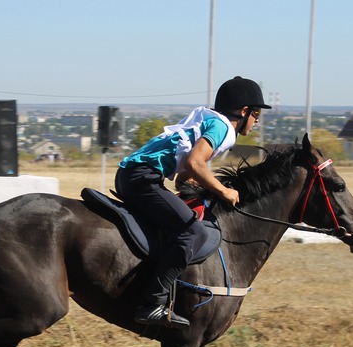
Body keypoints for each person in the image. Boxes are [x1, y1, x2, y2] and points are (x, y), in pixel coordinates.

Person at [115, 76, 271, 329]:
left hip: (133, 175)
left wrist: (206, 188)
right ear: (244, 111)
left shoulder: (209, 119)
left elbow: (185, 177)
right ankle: (153, 302)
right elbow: (194, 163)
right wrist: (223, 190)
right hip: (141, 178)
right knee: (193, 233)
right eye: (256, 113)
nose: (257, 120)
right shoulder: (223, 129)